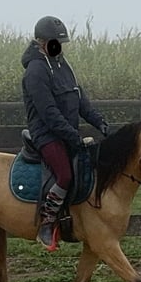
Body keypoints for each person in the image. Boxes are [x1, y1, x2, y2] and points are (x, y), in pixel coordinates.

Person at [21, 15, 109, 251]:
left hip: (67, 132)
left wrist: (99, 122)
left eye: (60, 42)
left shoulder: (63, 66)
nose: (58, 46)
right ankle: (47, 221)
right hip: (47, 135)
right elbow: (48, 113)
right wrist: (73, 136)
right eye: (53, 42)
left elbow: (80, 101)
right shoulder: (36, 71)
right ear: (41, 42)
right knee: (65, 174)